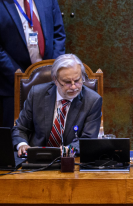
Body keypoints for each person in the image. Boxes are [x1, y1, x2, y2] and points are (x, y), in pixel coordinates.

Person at [12, 53, 101, 154]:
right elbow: (20, 128)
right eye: (67, 82)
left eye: (77, 80)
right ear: (55, 80)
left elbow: (88, 139)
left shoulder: (93, 101)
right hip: (36, 158)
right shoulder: (36, 94)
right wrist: (22, 144)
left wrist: (67, 150)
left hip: (71, 160)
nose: (73, 87)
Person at [1, 0, 66, 128]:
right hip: (12, 87)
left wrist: (51, 71)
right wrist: (21, 78)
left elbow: (59, 34)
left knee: (47, 139)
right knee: (15, 142)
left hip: (49, 85)